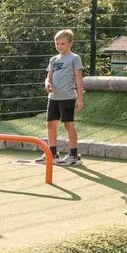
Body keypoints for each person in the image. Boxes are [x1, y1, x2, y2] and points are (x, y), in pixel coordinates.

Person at [35, 28, 85, 166]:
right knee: (51, 124)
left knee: (68, 124)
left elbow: (79, 79)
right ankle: (52, 153)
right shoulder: (53, 60)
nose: (59, 46)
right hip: (53, 97)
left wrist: (79, 98)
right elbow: (48, 77)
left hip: (68, 97)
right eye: (57, 43)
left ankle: (74, 155)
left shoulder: (75, 58)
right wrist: (47, 84)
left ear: (70, 43)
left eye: (62, 43)